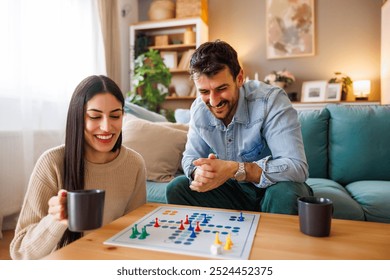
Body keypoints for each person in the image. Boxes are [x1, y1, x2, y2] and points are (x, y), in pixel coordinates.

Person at [166, 40, 312, 214]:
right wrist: (199, 172)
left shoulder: (271, 101)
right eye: (204, 92)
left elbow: (297, 167)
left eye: (221, 88)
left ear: (240, 78)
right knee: (178, 187)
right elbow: (190, 158)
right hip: (233, 192)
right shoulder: (199, 109)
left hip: (274, 188)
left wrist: (235, 169)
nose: (213, 101)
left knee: (284, 194)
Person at [10, 75, 147, 260]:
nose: (107, 127)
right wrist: (56, 220)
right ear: (77, 118)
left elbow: (135, 231)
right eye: (95, 116)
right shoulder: (52, 163)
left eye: (115, 115)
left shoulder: (134, 164)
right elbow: (20, 253)